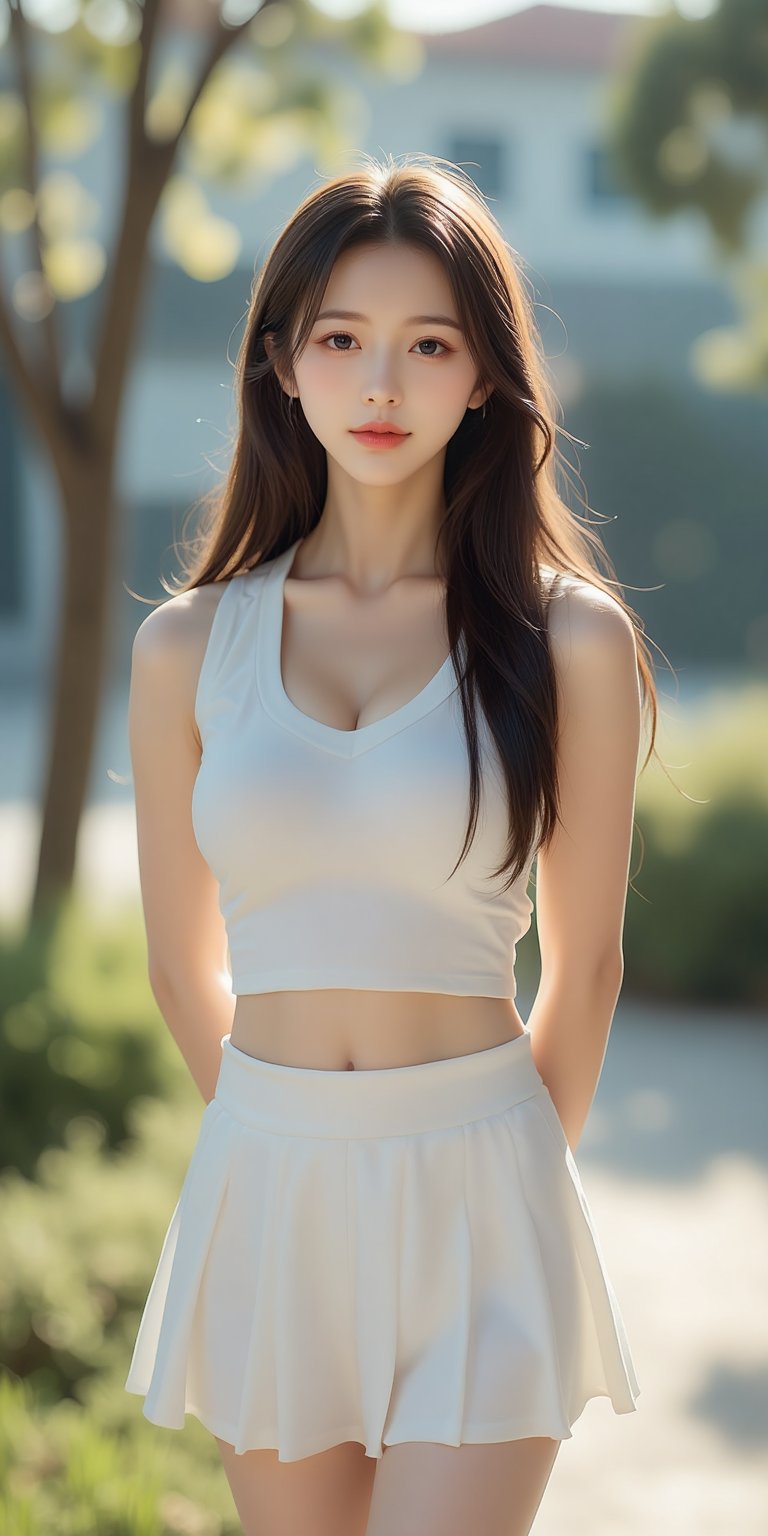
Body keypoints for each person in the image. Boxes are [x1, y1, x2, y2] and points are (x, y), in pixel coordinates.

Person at [124, 152, 655, 1536]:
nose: (380, 385)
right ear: (280, 362)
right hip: (268, 1185)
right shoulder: (187, 648)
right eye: (342, 339)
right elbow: (182, 971)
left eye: (429, 345)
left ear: (484, 377)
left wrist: (511, 1178)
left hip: (483, 1177)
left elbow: (584, 967)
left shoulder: (568, 637)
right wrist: (278, 1136)